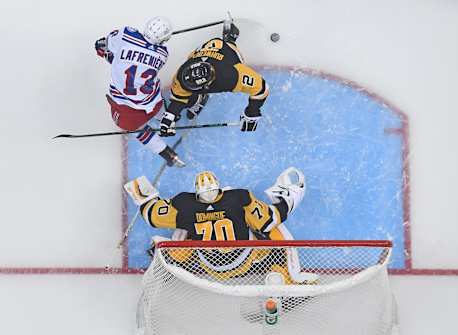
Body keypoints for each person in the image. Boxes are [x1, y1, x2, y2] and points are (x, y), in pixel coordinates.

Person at [124, 168, 318, 284]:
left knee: (182, 227)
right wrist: (286, 202)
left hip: (209, 266)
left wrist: (143, 195)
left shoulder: (185, 204)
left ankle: (171, 261)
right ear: (218, 187)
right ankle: (288, 275)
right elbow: (269, 220)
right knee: (273, 231)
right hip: (245, 262)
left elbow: (153, 216)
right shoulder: (240, 197)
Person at [94, 17, 185, 167]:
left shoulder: (126, 34)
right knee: (153, 91)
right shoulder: (163, 53)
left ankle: (165, 152)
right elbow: (138, 63)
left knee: (135, 127)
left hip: (128, 111)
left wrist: (103, 50)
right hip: (152, 104)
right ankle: (166, 118)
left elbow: (107, 45)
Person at [157, 21, 270, 137]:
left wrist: (252, 112)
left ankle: (230, 39)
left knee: (230, 48)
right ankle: (199, 98)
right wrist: (170, 116)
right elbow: (178, 99)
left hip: (226, 56)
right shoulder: (181, 76)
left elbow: (262, 88)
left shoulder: (231, 75)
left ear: (207, 85)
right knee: (180, 94)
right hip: (202, 52)